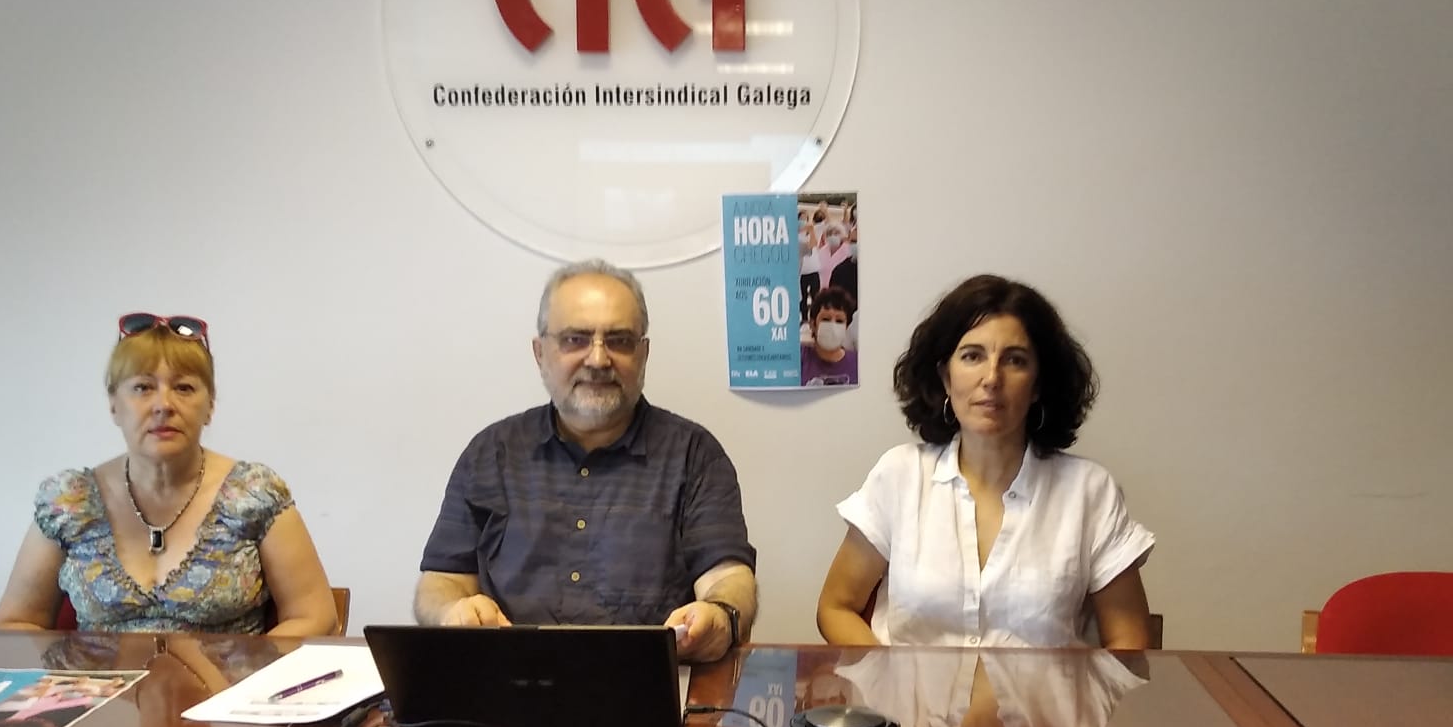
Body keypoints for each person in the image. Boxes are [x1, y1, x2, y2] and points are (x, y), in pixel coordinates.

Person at [415, 260, 758, 663]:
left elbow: (728, 577)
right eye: (575, 339)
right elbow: (440, 583)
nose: (598, 359)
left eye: (619, 340)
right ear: (540, 353)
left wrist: (720, 615)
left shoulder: (694, 455)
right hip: (510, 680)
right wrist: (451, 611)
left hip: (648, 681)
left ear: (644, 354)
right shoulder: (490, 454)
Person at [816, 274, 1153, 648]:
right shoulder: (899, 475)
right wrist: (887, 675)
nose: (992, 378)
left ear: (1039, 384)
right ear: (945, 377)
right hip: (907, 690)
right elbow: (836, 607)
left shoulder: (1090, 491)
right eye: (972, 356)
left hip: (1045, 691)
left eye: (1015, 360)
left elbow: (1130, 642)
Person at [0, 314, 338, 635]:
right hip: (98, 683)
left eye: (184, 388)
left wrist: (249, 674)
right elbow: (14, 623)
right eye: (143, 387)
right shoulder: (69, 501)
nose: (163, 405)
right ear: (114, 404)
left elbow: (316, 616)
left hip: (229, 683)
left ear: (210, 405)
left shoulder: (255, 493)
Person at [801, 285, 858, 387]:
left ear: (846, 327)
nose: (833, 326)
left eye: (839, 321)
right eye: (826, 319)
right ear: (813, 324)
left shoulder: (858, 364)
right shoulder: (799, 358)